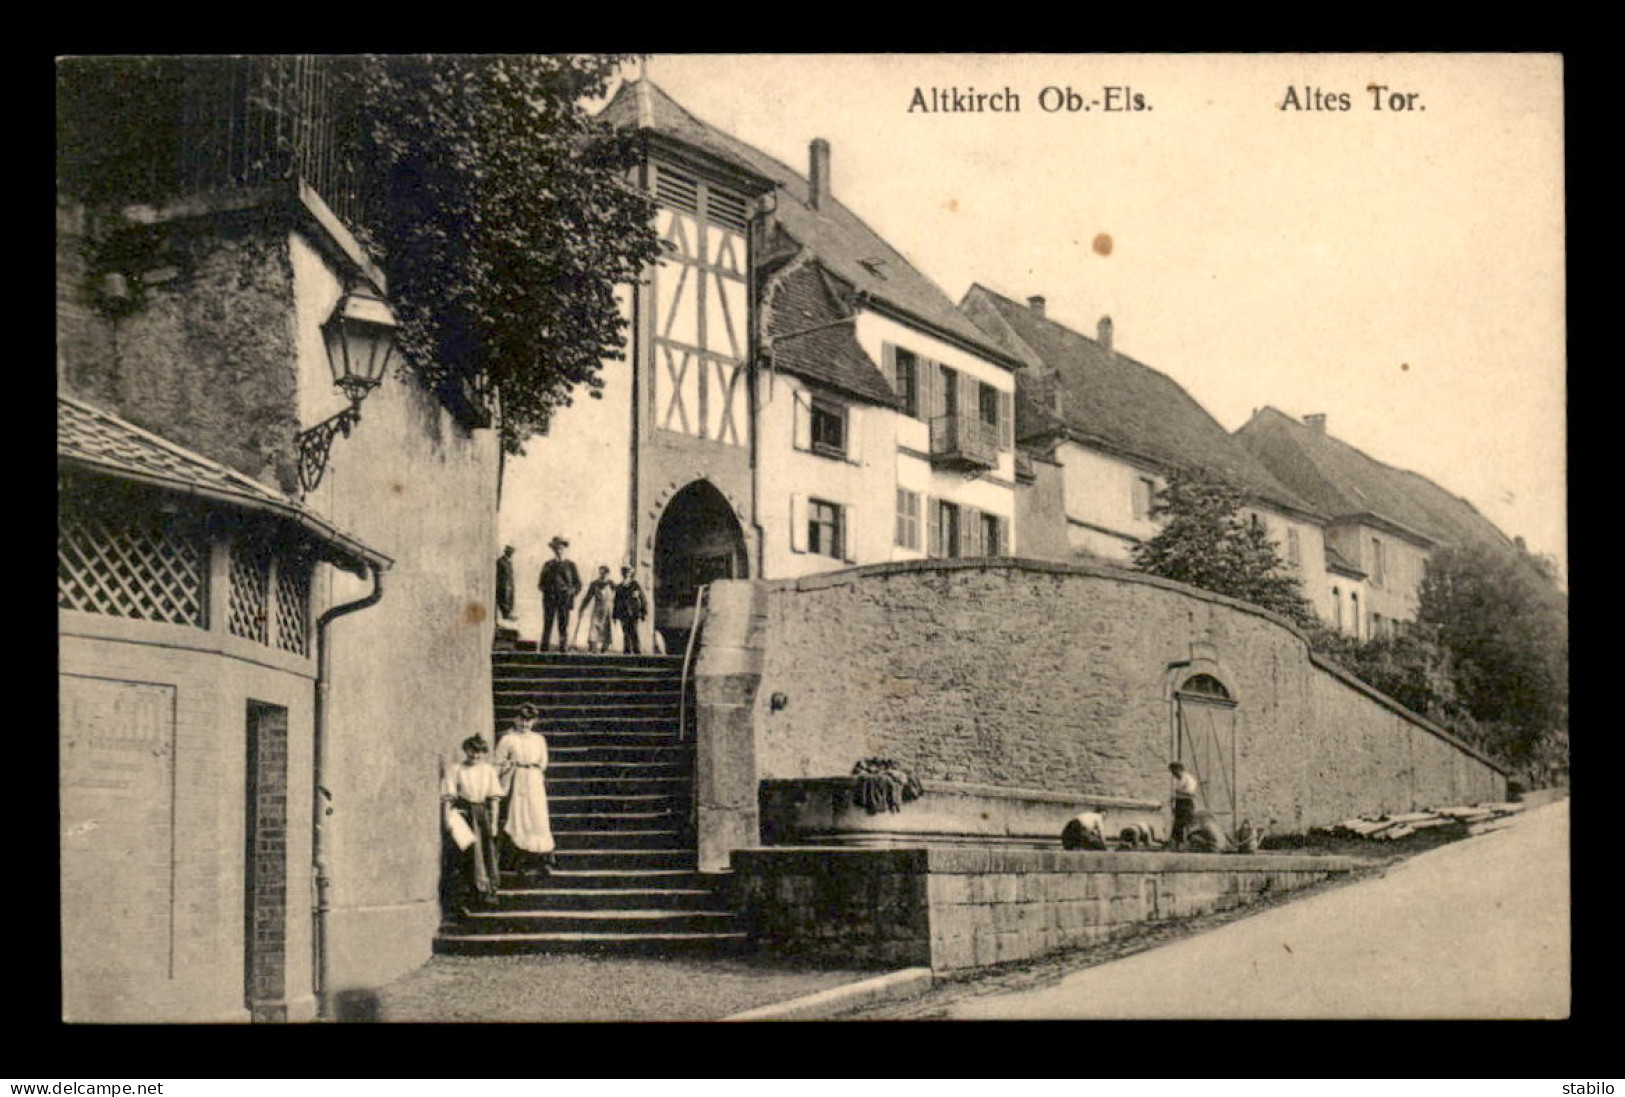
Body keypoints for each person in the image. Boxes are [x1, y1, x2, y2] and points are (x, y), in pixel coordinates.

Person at [441, 735, 503, 914]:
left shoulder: (488, 770)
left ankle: (486, 893)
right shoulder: (456, 769)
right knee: (467, 852)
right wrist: (447, 819)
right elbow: (449, 797)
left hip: (482, 813)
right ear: (466, 750)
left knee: (486, 851)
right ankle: (465, 896)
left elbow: (494, 798)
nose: (475, 755)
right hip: (463, 813)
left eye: (480, 752)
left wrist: (494, 824)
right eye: (472, 751)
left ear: (484, 753)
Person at [493, 702, 556, 877]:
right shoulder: (508, 739)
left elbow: (543, 762)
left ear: (534, 721)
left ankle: (542, 859)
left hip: (534, 780)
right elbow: (497, 762)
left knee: (537, 817)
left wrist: (533, 771)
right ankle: (519, 860)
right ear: (515, 719)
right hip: (517, 779)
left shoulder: (539, 739)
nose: (524, 724)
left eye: (529, 720)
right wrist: (509, 768)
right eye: (521, 719)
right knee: (519, 817)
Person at [538, 535, 581, 653]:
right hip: (550, 600)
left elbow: (578, 585)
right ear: (553, 550)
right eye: (556, 548)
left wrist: (570, 592)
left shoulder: (571, 565)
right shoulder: (548, 565)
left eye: (561, 548)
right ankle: (544, 650)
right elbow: (541, 584)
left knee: (563, 626)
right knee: (547, 625)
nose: (558, 550)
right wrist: (548, 591)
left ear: (564, 549)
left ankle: (563, 649)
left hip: (564, 601)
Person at [581, 565, 617, 653]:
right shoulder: (594, 584)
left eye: (604, 573)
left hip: (608, 608)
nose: (602, 575)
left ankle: (605, 647)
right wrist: (582, 607)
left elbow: (617, 597)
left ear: (608, 574)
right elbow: (588, 596)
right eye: (601, 573)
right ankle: (592, 647)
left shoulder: (612, 584)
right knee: (594, 626)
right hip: (598, 607)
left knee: (606, 628)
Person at [612, 565, 647, 654]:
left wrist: (644, 611)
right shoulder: (619, 587)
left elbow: (642, 598)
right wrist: (615, 615)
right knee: (626, 632)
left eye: (627, 572)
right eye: (624, 572)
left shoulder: (635, 584)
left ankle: (637, 651)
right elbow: (616, 602)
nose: (626, 574)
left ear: (630, 573)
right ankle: (627, 651)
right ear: (622, 574)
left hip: (634, 612)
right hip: (623, 612)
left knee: (634, 631)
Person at [1169, 761, 1199, 848]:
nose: (1173, 775)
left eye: (1174, 772)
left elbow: (1191, 794)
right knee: (1177, 824)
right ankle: (1177, 844)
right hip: (1180, 804)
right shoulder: (1180, 780)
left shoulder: (1189, 779)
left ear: (1179, 769)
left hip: (1186, 804)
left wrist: (1177, 795)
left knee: (1184, 824)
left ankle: (1187, 844)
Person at [495, 545, 517, 622]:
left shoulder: (509, 562)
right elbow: (499, 575)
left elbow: (510, 575)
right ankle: (505, 614)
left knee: (510, 598)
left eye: (512, 552)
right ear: (506, 552)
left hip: (509, 584)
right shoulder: (501, 561)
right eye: (510, 552)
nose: (511, 554)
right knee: (504, 599)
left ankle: (508, 614)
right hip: (503, 584)